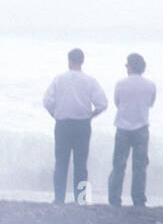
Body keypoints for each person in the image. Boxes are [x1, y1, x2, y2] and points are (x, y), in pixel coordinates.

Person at [43, 48, 107, 204]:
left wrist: (55, 114)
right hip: (82, 124)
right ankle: (81, 199)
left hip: (63, 123)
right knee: (81, 163)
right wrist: (91, 116)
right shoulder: (90, 81)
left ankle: (59, 199)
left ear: (69, 61)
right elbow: (102, 104)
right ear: (82, 61)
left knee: (61, 162)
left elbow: (47, 102)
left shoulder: (59, 79)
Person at [108, 53, 156, 207]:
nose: (126, 67)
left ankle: (115, 198)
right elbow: (150, 103)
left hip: (123, 127)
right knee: (140, 166)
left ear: (131, 67)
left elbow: (117, 102)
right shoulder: (150, 85)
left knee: (118, 165)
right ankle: (138, 199)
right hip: (141, 127)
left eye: (127, 65)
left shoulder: (121, 84)